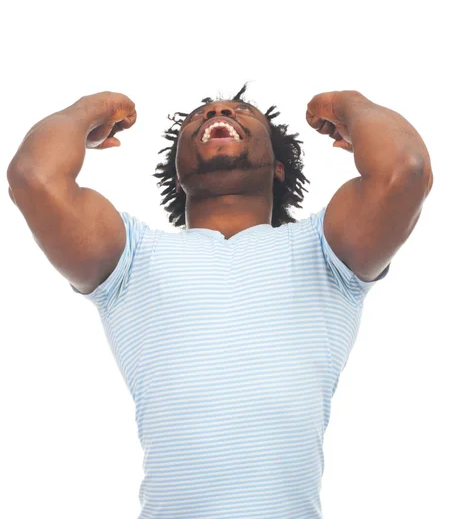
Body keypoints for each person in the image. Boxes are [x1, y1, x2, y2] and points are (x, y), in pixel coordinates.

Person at [7, 83, 433, 518]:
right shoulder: (130, 257)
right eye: (200, 116)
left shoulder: (326, 250)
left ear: (279, 168)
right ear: (177, 173)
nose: (217, 114)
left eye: (241, 110)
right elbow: (34, 177)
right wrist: (87, 110)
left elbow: (405, 169)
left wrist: (352, 106)